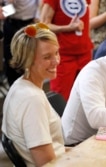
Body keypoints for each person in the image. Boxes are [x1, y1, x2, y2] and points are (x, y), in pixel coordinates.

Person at [1, 23, 65, 166]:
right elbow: (46, 163)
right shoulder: (32, 99)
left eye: (57, 53)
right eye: (47, 57)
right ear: (27, 60)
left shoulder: (20, 85)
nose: (56, 61)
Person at [40, 0, 93, 101]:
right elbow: (43, 25)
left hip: (84, 54)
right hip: (63, 56)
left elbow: (86, 20)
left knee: (87, 98)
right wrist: (68, 28)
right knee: (61, 100)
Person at [2, 0, 41, 86]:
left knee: (29, 59)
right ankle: (13, 87)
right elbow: (6, 12)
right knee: (11, 59)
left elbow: (40, 7)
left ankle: (30, 87)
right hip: (11, 24)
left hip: (29, 24)